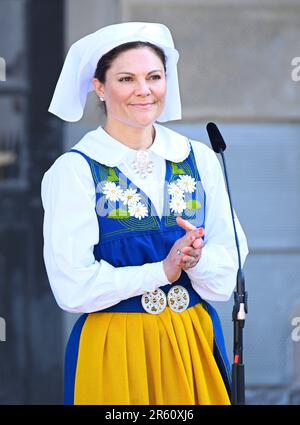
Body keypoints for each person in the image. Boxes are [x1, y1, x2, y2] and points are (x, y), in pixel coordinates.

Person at [41, 22, 248, 405]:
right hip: (115, 345)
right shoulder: (75, 170)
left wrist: (196, 260)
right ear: (99, 87)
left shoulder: (199, 157)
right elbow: (71, 286)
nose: (144, 90)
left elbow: (226, 272)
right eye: (126, 78)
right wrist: (160, 271)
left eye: (154, 76)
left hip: (193, 340)